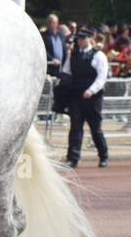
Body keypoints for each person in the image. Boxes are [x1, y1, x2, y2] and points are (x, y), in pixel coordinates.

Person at [65, 28, 109, 168]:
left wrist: (91, 90)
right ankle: (72, 158)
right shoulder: (73, 55)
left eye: (83, 38)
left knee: (95, 129)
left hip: (93, 98)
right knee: (75, 128)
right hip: (76, 95)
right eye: (79, 39)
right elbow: (66, 71)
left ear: (90, 39)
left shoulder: (98, 55)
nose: (80, 41)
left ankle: (103, 156)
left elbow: (102, 77)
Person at [42, 14, 68, 78]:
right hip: (50, 66)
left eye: (53, 22)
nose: (51, 24)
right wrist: (52, 59)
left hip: (61, 67)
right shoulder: (44, 36)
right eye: (49, 22)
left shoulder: (61, 35)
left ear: (57, 23)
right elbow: (44, 50)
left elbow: (64, 49)